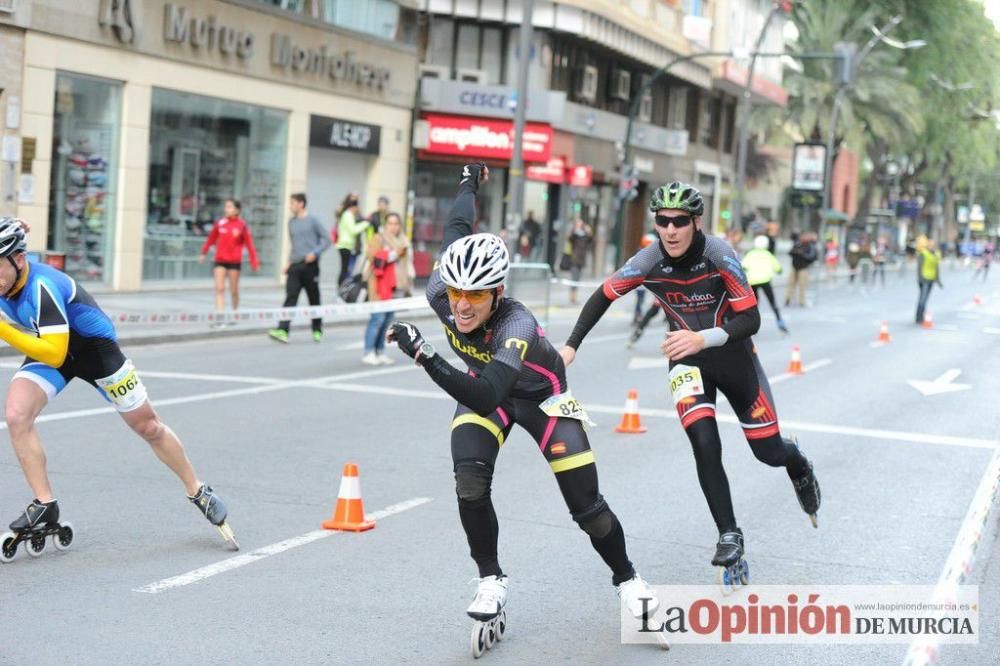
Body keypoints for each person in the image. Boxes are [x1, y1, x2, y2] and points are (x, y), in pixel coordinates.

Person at [385, 164, 662, 645]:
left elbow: (490, 393)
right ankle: (491, 580)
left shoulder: (517, 325)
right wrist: (470, 181)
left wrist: (424, 354)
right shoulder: (441, 294)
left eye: (475, 295)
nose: (462, 306)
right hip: (486, 388)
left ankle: (629, 581)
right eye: (455, 293)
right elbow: (456, 228)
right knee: (469, 481)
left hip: (542, 400)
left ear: (497, 292)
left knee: (588, 509)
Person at [559, 181, 821, 583]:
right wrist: (571, 346)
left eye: (680, 221)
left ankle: (798, 463)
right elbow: (602, 296)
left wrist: (703, 337)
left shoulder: (720, 255)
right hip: (686, 362)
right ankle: (729, 533)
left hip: (733, 358)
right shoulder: (648, 261)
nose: (670, 230)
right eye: (662, 221)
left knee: (767, 452)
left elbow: (751, 319)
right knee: (704, 442)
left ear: (696, 222)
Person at [0, 218, 236, 557]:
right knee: (17, 415)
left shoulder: (41, 286)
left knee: (149, 427)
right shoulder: (6, 277)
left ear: (18, 259)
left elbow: (53, 351)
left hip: (94, 350)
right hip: (54, 349)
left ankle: (198, 490)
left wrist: (4, 329)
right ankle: (45, 503)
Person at [268, 193, 330, 344]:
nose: (290, 206)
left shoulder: (313, 220)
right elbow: (294, 245)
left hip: (310, 266)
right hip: (295, 266)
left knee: (314, 298)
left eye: (293, 203)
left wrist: (315, 253)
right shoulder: (291, 222)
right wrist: (289, 262)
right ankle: (283, 330)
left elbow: (327, 239)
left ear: (301, 204)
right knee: (290, 297)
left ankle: (317, 330)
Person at [198, 198, 260, 327]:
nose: (227, 209)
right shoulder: (220, 223)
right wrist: (203, 252)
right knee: (220, 289)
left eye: (230, 207)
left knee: (233, 290)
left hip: (234, 262)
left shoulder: (242, 225)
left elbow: (250, 245)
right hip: (220, 260)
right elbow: (211, 239)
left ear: (237, 210)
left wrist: (254, 261)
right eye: (226, 207)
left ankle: (234, 313)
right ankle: (220, 318)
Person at [361, 212, 409, 365]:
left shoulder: (403, 241)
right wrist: (390, 254)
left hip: (394, 286)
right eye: (390, 223)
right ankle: (369, 351)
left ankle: (380, 351)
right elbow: (371, 255)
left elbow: (404, 265)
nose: (393, 227)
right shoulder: (379, 238)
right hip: (378, 285)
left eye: (396, 223)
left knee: (388, 319)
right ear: (385, 224)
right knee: (377, 318)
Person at [742, 235, 788, 334]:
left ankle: (751, 325)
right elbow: (778, 269)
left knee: (754, 305)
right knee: (772, 302)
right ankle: (780, 322)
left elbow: (743, 266)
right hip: (765, 281)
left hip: (752, 281)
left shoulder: (750, 254)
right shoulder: (768, 254)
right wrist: (779, 270)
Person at [334, 194, 368, 286]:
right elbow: (353, 230)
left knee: (345, 268)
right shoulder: (348, 215)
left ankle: (343, 286)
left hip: (347, 245)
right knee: (346, 269)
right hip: (346, 245)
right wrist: (365, 224)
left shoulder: (346, 214)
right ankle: (342, 287)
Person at [565, 218, 594, 305]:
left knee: (577, 279)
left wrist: (589, 231)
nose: (579, 226)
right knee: (574, 278)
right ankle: (572, 297)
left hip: (581, 260)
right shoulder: (574, 235)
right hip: (574, 260)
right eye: (578, 224)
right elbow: (570, 238)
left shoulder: (584, 235)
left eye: (581, 224)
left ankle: (574, 296)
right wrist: (574, 230)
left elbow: (591, 240)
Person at [916, 237, 943, 324]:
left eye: (933, 245)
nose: (932, 246)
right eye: (930, 245)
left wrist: (938, 280)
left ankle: (921, 316)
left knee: (925, 298)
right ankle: (919, 317)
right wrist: (920, 278)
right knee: (922, 299)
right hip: (924, 279)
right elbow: (919, 267)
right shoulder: (923, 253)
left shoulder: (936, 254)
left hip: (931, 279)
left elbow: (936, 268)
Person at [786, 231, 818, 306]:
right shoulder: (797, 244)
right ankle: (788, 299)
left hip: (803, 268)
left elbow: (812, 257)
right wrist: (796, 252)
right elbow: (790, 252)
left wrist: (802, 254)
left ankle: (802, 301)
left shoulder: (810, 245)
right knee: (791, 284)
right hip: (794, 267)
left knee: (802, 285)